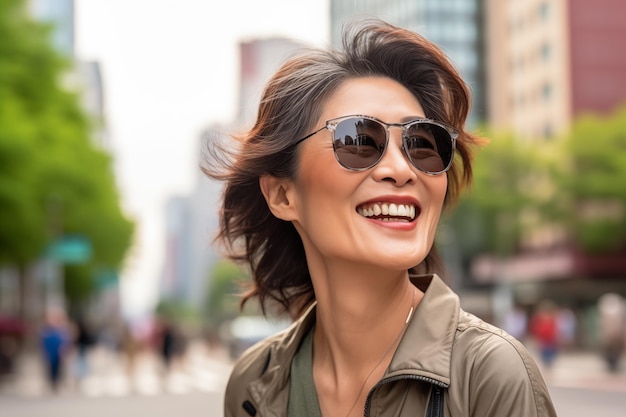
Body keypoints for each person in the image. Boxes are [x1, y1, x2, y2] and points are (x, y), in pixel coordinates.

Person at [204, 18, 557, 417]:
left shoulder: (489, 375)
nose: (402, 169)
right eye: (358, 140)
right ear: (283, 195)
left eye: (422, 144)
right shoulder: (254, 384)